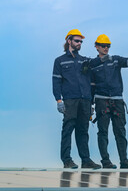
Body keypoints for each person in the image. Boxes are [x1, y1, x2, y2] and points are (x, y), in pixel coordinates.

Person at [90, 34, 128, 169]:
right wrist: (91, 104)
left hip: (117, 101)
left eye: (108, 46)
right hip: (101, 101)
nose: (106, 48)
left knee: (120, 131)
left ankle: (124, 161)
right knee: (103, 132)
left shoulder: (115, 60)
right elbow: (91, 85)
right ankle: (106, 161)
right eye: (103, 46)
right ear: (96, 47)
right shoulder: (93, 65)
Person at [52, 29, 101, 169]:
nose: (79, 43)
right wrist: (59, 101)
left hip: (85, 100)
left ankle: (86, 161)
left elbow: (92, 80)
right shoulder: (60, 61)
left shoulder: (84, 61)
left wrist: (91, 102)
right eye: (77, 40)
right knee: (67, 130)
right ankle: (67, 160)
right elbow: (56, 82)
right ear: (69, 41)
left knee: (83, 131)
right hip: (70, 100)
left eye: (81, 41)